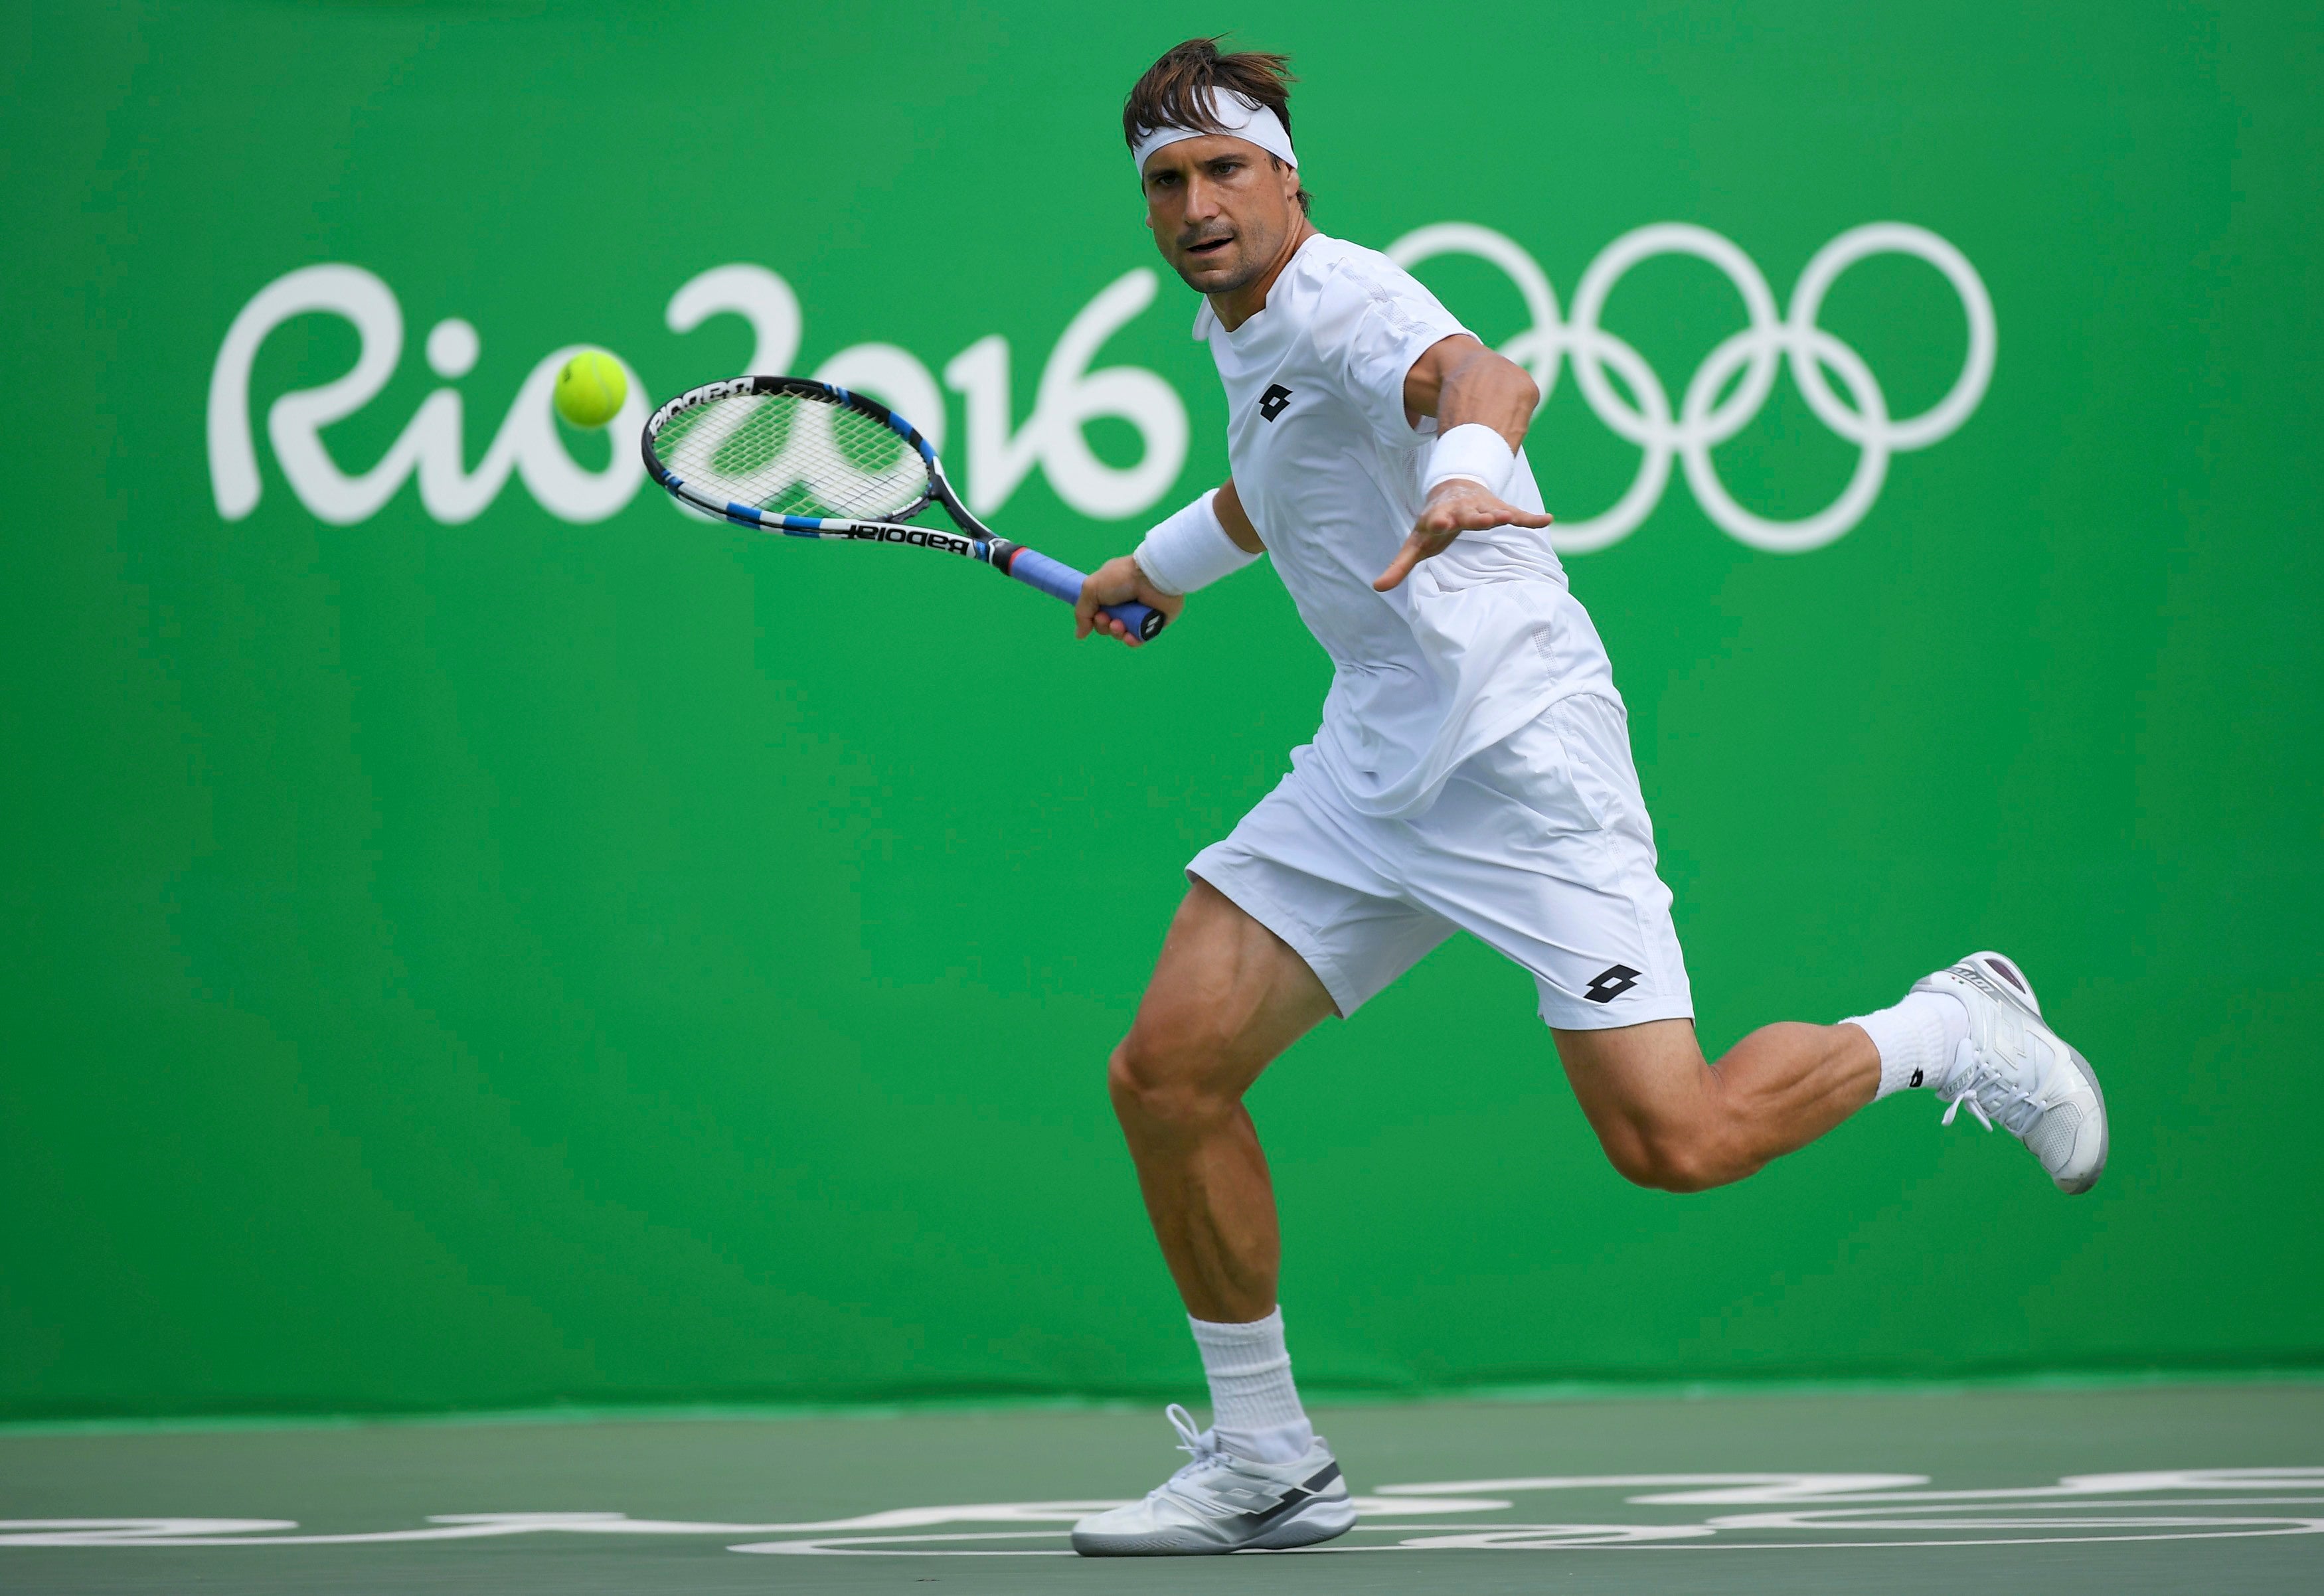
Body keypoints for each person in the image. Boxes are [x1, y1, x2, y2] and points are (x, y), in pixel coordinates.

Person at [1064, 39, 2108, 1558]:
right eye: (1166, 181)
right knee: (1166, 1072)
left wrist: (1466, 465)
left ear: (1287, 179)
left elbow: (1484, 376)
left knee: (1672, 1140)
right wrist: (1153, 566)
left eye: (1225, 171)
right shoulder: (1250, 334)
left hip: (1519, 750)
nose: (1194, 204)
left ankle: (1949, 1026)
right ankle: (1266, 1455)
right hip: (1373, 756)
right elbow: (1270, 486)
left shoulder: (1350, 297)